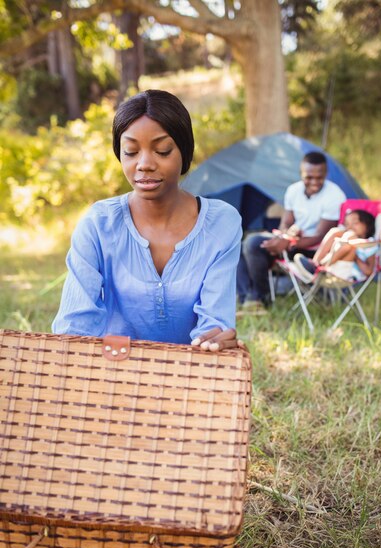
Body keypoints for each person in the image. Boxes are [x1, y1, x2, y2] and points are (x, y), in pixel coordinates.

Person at [52, 89, 242, 352]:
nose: (144, 164)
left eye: (162, 151)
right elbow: (74, 326)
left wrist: (216, 339)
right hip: (111, 374)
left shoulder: (222, 222)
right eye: (130, 152)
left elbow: (214, 322)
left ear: (184, 152)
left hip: (191, 376)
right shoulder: (99, 223)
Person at [238, 151, 347, 309]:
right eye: (309, 177)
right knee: (248, 244)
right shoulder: (293, 191)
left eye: (319, 177)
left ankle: (259, 297)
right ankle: (251, 298)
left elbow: (320, 236)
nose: (314, 182)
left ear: (326, 173)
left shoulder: (334, 195)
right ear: (301, 173)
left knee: (254, 245)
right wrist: (283, 237)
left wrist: (288, 244)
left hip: (315, 252)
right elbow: (286, 222)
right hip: (293, 242)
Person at [293, 209, 377, 283]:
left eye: (355, 223)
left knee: (349, 237)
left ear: (367, 226)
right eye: (347, 224)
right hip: (332, 267)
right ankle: (316, 263)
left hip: (347, 275)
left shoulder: (370, 244)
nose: (350, 226)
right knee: (335, 231)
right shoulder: (344, 235)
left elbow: (368, 271)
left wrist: (355, 254)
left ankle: (318, 267)